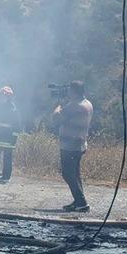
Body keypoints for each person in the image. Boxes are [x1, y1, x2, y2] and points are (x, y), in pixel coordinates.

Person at [52, 80, 93, 212]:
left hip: (70, 145)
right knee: (75, 173)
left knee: (68, 173)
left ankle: (81, 202)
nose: (68, 92)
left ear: (74, 92)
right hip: (79, 143)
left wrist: (58, 106)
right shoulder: (87, 103)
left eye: (70, 90)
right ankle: (78, 201)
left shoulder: (75, 106)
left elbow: (56, 118)